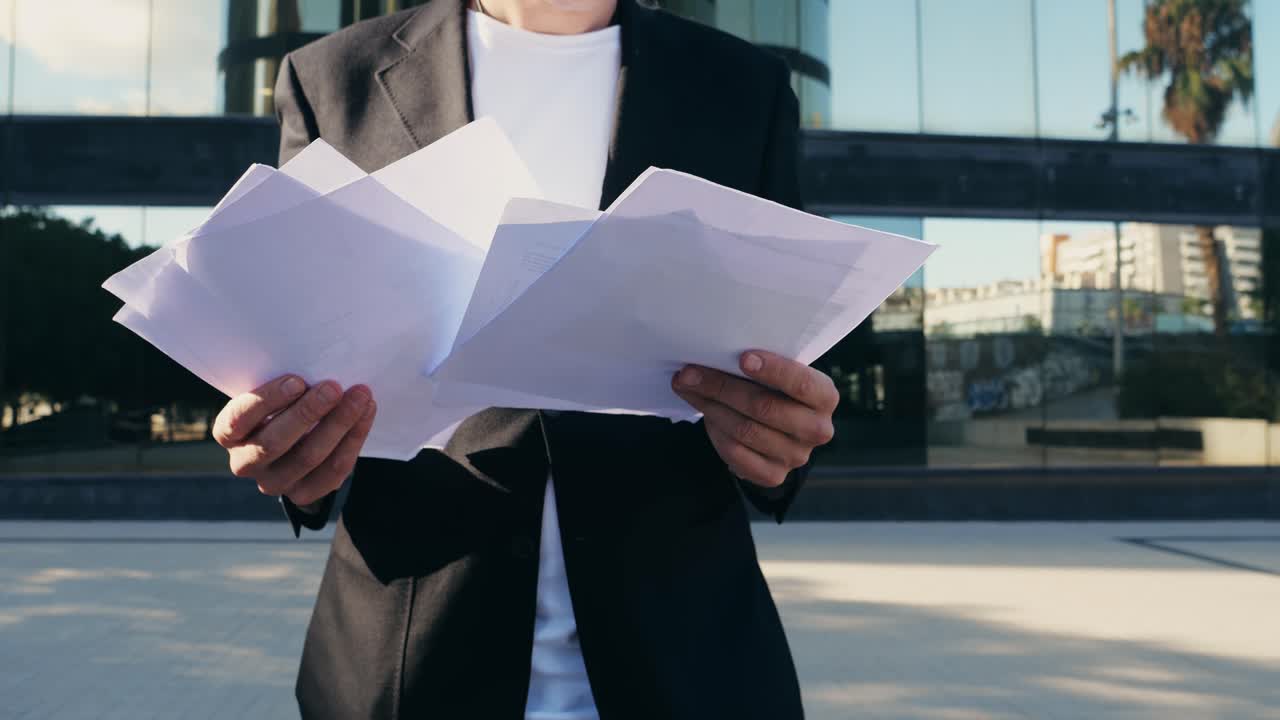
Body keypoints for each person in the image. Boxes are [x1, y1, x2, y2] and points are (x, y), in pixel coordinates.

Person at [211, 1, 838, 717]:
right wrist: (291, 446)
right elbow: (298, 350)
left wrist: (784, 431)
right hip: (411, 657)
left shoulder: (743, 85)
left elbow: (793, 356)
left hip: (685, 661)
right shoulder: (331, 79)